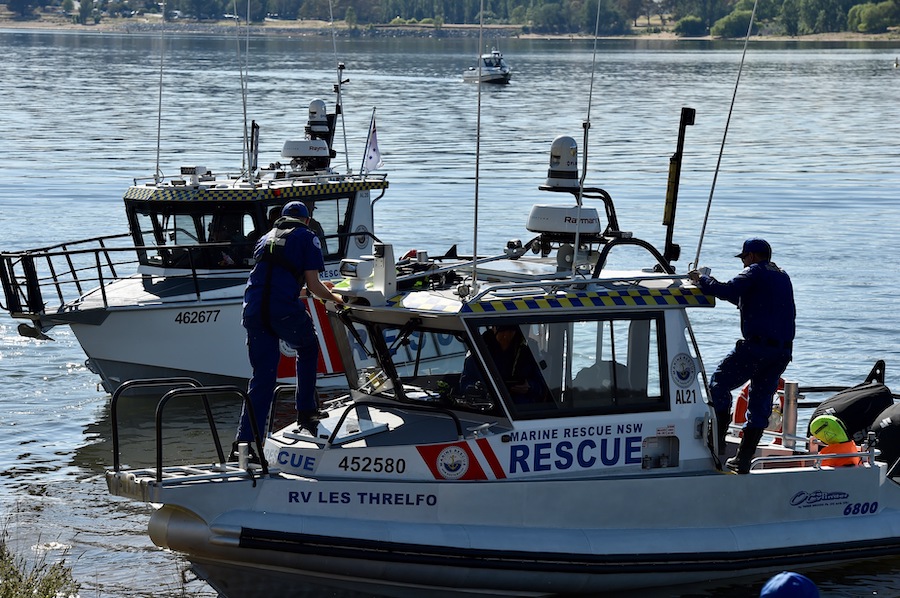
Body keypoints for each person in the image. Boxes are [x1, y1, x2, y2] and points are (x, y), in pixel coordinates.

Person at [234, 201, 342, 454]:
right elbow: (314, 285)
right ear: (307, 220)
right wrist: (336, 298)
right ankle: (306, 412)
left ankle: (244, 444)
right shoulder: (307, 236)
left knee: (262, 378)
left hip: (254, 310)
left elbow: (275, 282)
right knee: (308, 346)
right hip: (282, 309)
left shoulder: (265, 238)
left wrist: (311, 291)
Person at [688, 238, 795, 474]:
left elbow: (728, 290)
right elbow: (745, 299)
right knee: (760, 402)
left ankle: (716, 443)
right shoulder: (782, 276)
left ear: (752, 256)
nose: (743, 263)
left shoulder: (754, 272)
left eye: (744, 258)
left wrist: (701, 279)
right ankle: (743, 459)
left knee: (719, 383)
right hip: (781, 352)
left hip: (756, 348)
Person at [459, 325, 546, 405]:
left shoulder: (529, 353)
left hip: (521, 408)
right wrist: (480, 388)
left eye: (510, 331)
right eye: (502, 331)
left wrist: (530, 386)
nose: (505, 335)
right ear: (493, 329)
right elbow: (465, 384)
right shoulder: (478, 352)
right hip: (489, 408)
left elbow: (544, 386)